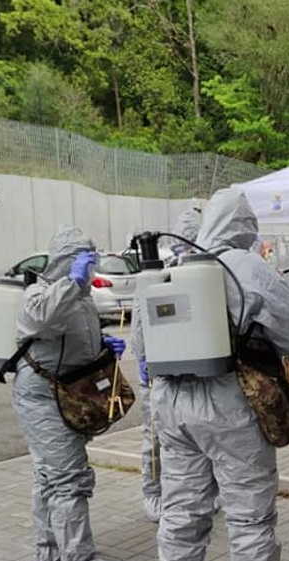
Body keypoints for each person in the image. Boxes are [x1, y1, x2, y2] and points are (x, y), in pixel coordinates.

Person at [141, 188, 289, 561]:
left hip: (172, 406)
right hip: (230, 404)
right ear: (244, 227)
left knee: (181, 509)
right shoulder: (245, 266)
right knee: (248, 514)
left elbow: (141, 347)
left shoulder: (172, 270)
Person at [12, 227, 125, 561]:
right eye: (85, 261)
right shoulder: (40, 293)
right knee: (68, 478)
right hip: (42, 396)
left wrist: (102, 346)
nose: (91, 270)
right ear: (66, 261)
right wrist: (73, 282)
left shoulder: (80, 296)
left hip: (64, 391)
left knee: (48, 473)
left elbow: (71, 336)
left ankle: (47, 547)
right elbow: (42, 319)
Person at [130, 208, 201, 522]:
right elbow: (140, 322)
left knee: (192, 436)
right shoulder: (156, 275)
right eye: (184, 245)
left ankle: (192, 492)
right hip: (160, 372)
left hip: (192, 370)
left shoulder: (204, 273)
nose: (186, 252)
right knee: (156, 436)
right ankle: (153, 493)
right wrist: (143, 358)